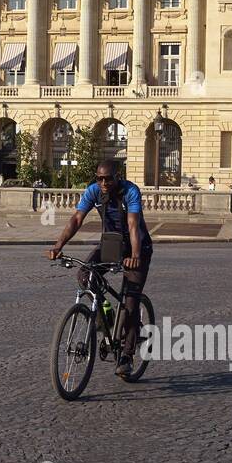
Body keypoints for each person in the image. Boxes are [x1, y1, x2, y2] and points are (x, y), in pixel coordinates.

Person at [48, 159, 152, 380]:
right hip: (111, 244)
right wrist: (58, 245)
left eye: (108, 179)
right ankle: (105, 312)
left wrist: (134, 256)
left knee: (130, 303)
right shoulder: (93, 191)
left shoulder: (130, 191)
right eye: (99, 178)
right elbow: (77, 219)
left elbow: (133, 224)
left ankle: (126, 355)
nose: (103, 183)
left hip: (138, 247)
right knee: (84, 274)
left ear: (118, 176)